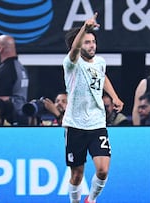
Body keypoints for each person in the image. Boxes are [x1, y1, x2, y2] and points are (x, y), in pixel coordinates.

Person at [62, 13, 124, 203]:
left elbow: (102, 77)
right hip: (75, 124)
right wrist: (85, 27)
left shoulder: (100, 62)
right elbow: (74, 50)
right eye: (87, 42)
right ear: (79, 44)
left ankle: (92, 199)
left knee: (103, 170)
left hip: (97, 123)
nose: (92, 45)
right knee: (77, 175)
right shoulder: (71, 63)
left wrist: (114, 96)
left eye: (93, 42)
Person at [0, 34, 29, 125]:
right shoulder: (20, 67)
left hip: (8, 122)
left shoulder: (5, 71)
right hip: (21, 117)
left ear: (0, 48)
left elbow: (1, 101)